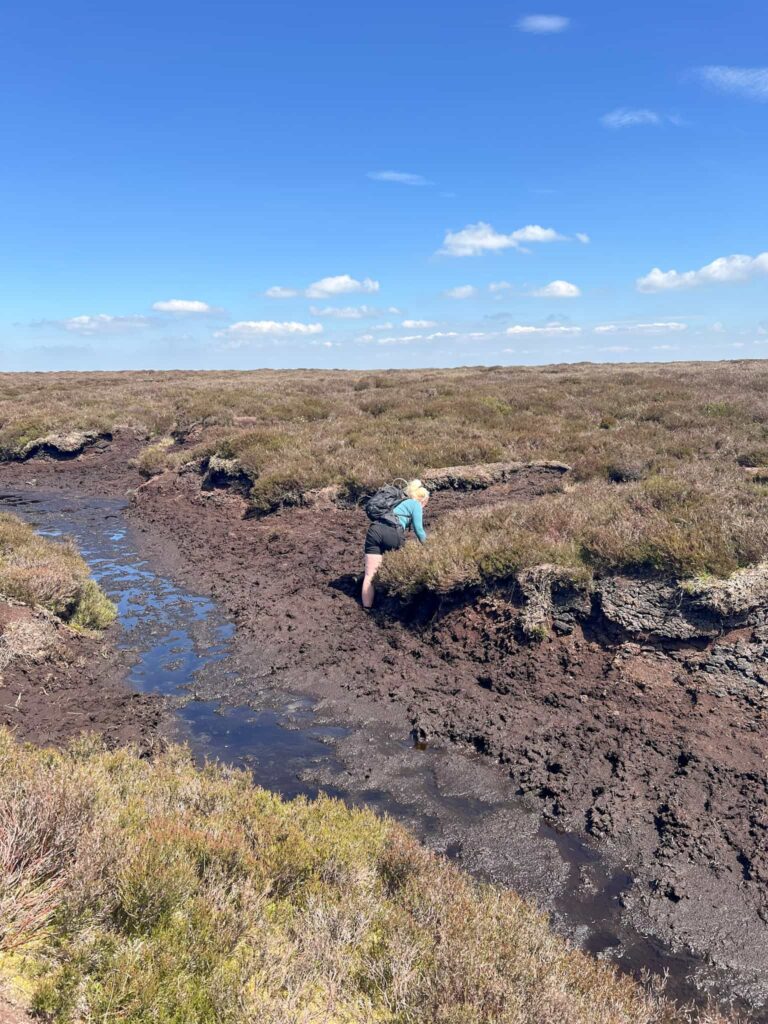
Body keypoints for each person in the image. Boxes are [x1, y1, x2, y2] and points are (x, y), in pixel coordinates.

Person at [362, 479, 429, 609]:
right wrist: (430, 548)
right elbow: (419, 531)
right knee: (400, 568)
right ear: (423, 500)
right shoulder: (415, 505)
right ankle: (397, 607)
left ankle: (367, 607)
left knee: (369, 574)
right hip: (392, 532)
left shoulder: (396, 502)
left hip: (374, 530)